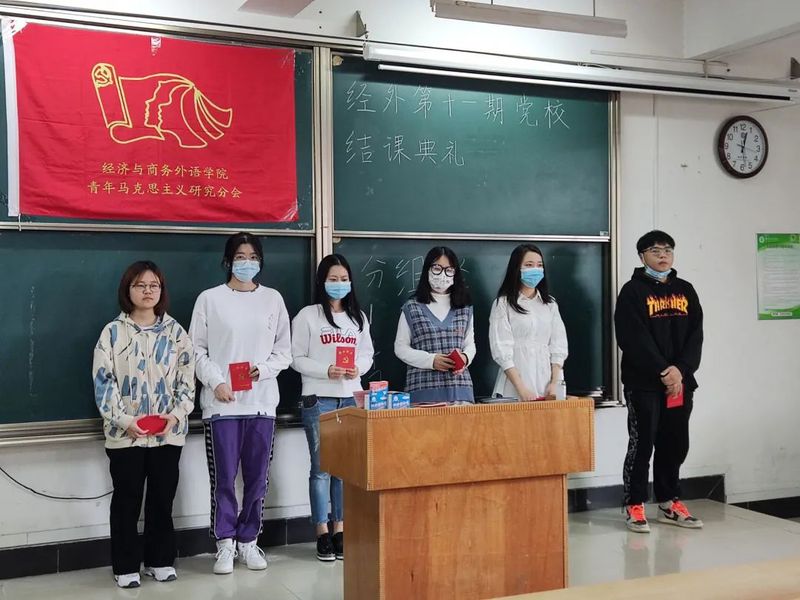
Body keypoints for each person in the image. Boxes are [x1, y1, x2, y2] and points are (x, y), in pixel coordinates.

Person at [189, 232, 292, 574]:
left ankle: (249, 540)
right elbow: (195, 350)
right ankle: (225, 542)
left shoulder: (273, 299)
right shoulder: (210, 299)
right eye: (240, 257)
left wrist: (262, 369)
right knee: (223, 479)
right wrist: (216, 381)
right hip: (222, 406)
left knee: (257, 479)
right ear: (228, 261)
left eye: (253, 257)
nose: (247, 263)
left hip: (261, 403)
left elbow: (284, 352)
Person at [92, 261, 195, 589]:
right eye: (140, 285)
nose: (148, 291)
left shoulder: (176, 332)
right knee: (127, 500)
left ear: (161, 290)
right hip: (125, 435)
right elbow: (103, 383)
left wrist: (174, 415)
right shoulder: (112, 333)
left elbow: (187, 381)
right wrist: (126, 421)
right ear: (128, 290)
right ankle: (125, 566)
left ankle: (159, 560)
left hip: (168, 433)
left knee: (162, 499)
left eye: (154, 285)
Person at [615, 230, 704, 533]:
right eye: (655, 250)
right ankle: (634, 504)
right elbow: (632, 338)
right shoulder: (632, 291)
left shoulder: (685, 289)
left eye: (667, 250)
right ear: (642, 256)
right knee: (642, 444)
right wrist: (663, 371)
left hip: (680, 383)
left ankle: (669, 502)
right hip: (645, 384)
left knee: (675, 443)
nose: (663, 255)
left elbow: (695, 335)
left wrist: (680, 370)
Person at [291, 254, 374, 562]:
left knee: (345, 470)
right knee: (321, 469)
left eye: (344, 279)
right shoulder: (308, 316)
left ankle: (341, 529)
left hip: (351, 397)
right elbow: (295, 357)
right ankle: (321, 532)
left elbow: (367, 354)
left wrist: (358, 368)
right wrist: (326, 370)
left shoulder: (357, 318)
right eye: (333, 279)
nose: (339, 284)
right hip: (318, 398)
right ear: (322, 282)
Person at [393, 246, 475, 403]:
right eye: (437, 268)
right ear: (427, 270)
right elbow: (400, 348)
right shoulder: (412, 307)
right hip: (422, 392)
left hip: (459, 392)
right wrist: (431, 360)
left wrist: (465, 358)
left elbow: (470, 344)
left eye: (449, 270)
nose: (443, 275)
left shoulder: (464, 307)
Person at [489, 244, 568, 401]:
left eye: (539, 265)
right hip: (515, 384)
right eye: (529, 265)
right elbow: (501, 350)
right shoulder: (503, 304)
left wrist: (555, 383)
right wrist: (521, 389)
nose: (535, 269)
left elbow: (558, 345)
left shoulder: (550, 304)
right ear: (517, 268)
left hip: (547, 384)